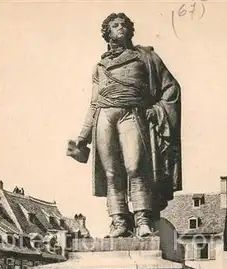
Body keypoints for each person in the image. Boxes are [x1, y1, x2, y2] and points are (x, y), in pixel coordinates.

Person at [74, 13, 182, 237]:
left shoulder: (146, 58)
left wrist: (157, 109)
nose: (120, 27)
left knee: (135, 167)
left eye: (124, 25)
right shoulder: (99, 67)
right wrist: (83, 138)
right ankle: (119, 221)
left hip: (132, 114)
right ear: (107, 32)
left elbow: (171, 87)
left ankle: (142, 220)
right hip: (104, 116)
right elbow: (94, 103)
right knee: (112, 172)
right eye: (115, 25)